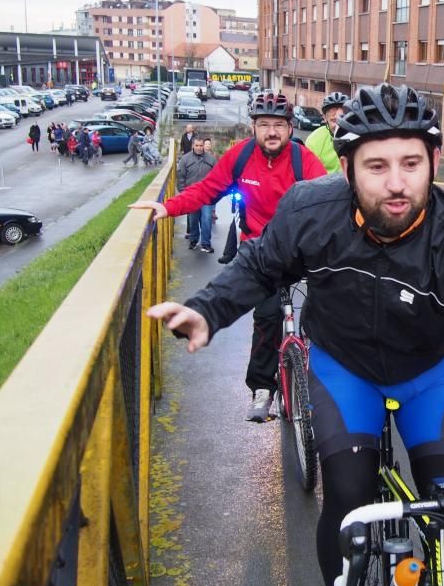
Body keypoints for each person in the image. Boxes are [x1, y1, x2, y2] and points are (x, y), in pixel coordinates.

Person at [143, 83, 444, 586]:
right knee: (347, 499)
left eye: (411, 163)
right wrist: (208, 309)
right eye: (376, 166)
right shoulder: (311, 210)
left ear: (434, 161)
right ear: (346, 169)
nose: (396, 184)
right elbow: (261, 265)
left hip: (427, 373)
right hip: (347, 369)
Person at [130, 92, 327, 422]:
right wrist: (167, 207)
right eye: (264, 124)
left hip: (301, 249)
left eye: (279, 125)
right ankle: (263, 388)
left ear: (291, 129)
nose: (272, 132)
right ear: (253, 127)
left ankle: (323, 379)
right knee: (266, 317)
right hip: (261, 254)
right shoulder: (240, 156)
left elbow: (329, 201)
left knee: (329, 308)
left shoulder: (303, 161)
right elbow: (206, 190)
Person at [176, 136, 218, 253]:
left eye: (201, 146)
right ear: (193, 146)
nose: (199, 148)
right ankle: (193, 240)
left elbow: (217, 177)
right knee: (193, 219)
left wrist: (215, 193)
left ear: (204, 145)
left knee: (206, 219)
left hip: (207, 196)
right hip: (191, 196)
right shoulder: (185, 159)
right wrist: (183, 192)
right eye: (197, 146)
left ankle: (206, 243)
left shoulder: (211, 159)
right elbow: (180, 176)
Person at [305, 91, 349, 173]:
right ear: (325, 118)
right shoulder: (314, 140)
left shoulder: (358, 135)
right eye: (332, 111)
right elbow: (310, 172)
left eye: (342, 110)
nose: (337, 114)